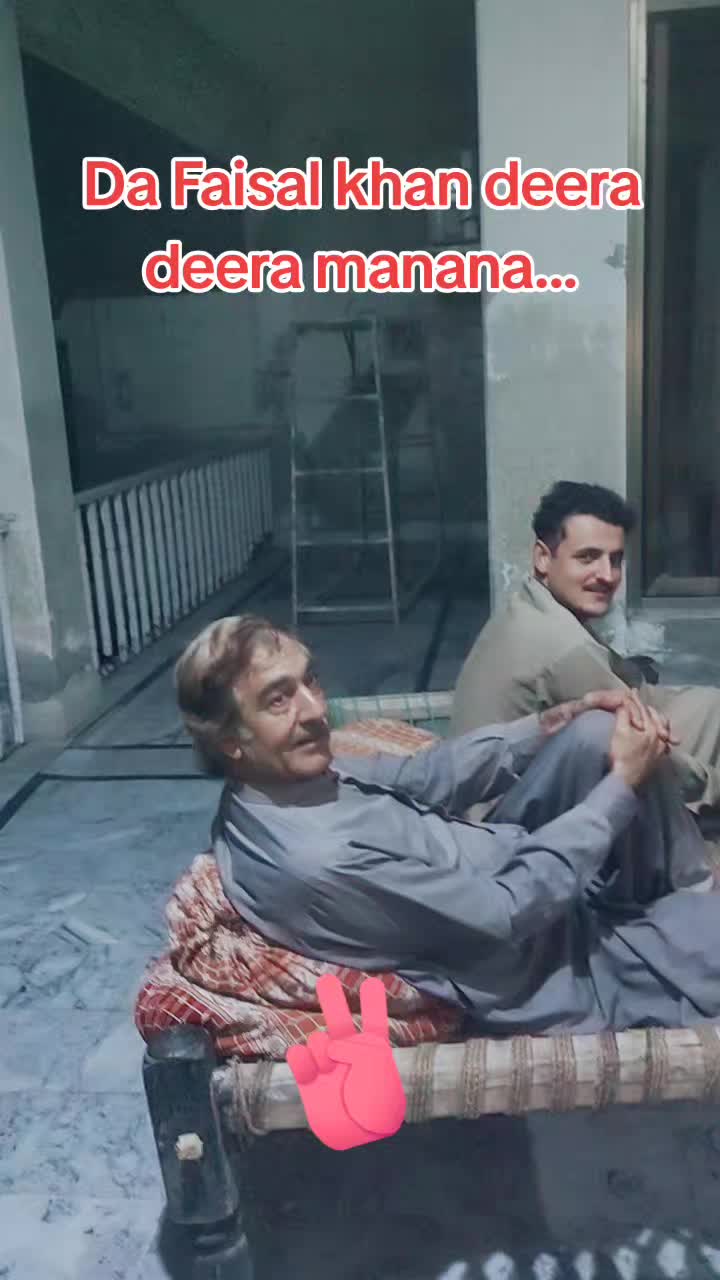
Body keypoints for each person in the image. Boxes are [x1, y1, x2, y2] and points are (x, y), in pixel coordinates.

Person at [175, 613, 720, 1037]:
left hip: (512, 861)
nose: (315, 710)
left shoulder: (283, 781)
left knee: (593, 733)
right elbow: (509, 910)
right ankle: (675, 918)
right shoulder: (319, 862)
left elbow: (424, 775)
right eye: (279, 700)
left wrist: (550, 722)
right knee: (624, 777)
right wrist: (620, 786)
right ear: (230, 742)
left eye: (309, 681)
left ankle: (679, 895)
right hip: (549, 954)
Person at [450, 480, 720, 813]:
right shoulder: (564, 647)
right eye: (588, 557)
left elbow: (638, 693)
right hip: (505, 819)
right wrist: (712, 785)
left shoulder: (530, 604)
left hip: (508, 782)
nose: (607, 575)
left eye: (615, 559)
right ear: (543, 557)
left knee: (710, 706)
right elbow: (645, 751)